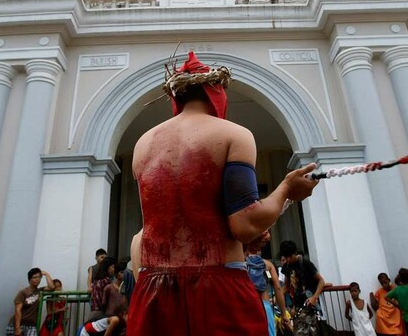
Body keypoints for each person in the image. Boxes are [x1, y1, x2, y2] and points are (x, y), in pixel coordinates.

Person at [126, 51, 319, 336]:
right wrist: (287, 190)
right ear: (215, 92)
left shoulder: (143, 144)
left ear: (176, 98)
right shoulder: (234, 134)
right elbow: (244, 224)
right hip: (217, 286)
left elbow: (148, 231)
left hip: (154, 289)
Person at [245, 230, 291, 336]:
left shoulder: (241, 262)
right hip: (264, 305)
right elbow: (278, 288)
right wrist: (283, 313)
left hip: (248, 305)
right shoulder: (267, 265)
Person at [279, 240, 325, 313]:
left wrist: (314, 297)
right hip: (297, 306)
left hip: (310, 303)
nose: (288, 259)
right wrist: (277, 296)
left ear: (295, 252)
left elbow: (321, 281)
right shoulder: (286, 266)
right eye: (286, 257)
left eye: (290, 256)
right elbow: (286, 286)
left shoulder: (305, 263)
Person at [6, 268, 55, 336]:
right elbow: (18, 310)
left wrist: (46, 274)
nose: (37, 279)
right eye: (34, 277)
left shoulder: (40, 291)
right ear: (29, 280)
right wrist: (17, 328)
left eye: (39, 277)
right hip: (18, 324)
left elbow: (52, 287)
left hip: (31, 325)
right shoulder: (23, 292)